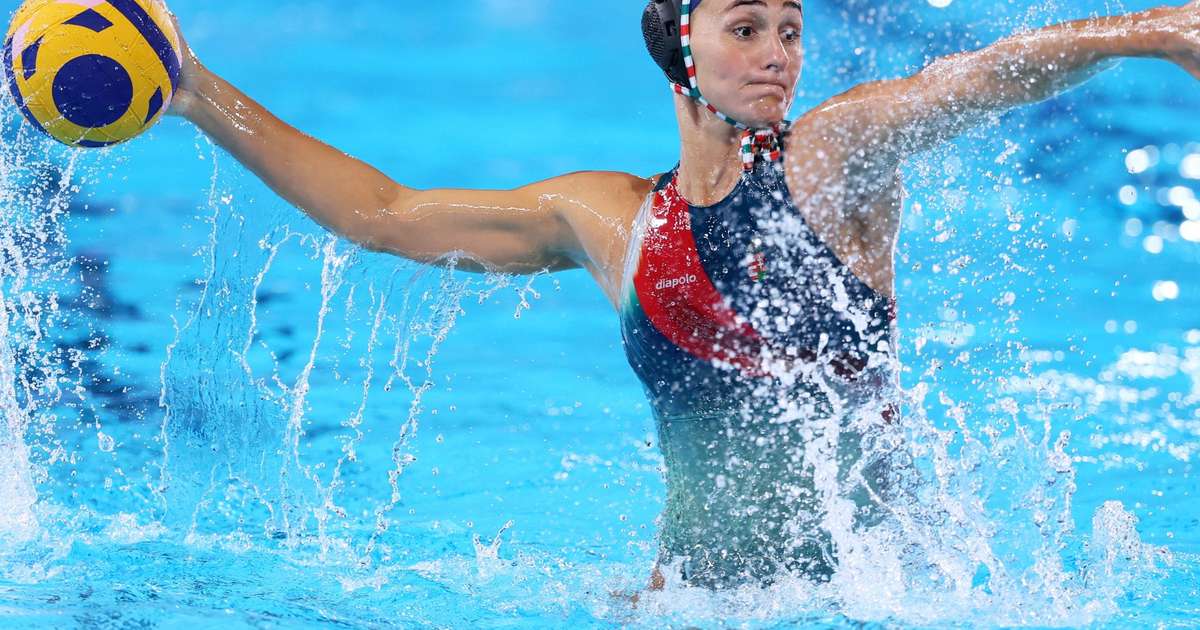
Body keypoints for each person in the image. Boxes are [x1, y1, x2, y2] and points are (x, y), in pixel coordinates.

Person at [167, 0, 1200, 589]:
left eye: (790, 29)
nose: (779, 55)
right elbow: (383, 215)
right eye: (747, 28)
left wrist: (1148, 35)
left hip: (879, 593)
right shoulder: (613, 223)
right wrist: (192, 89)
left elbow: (982, 78)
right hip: (693, 605)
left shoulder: (834, 157)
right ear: (681, 43)